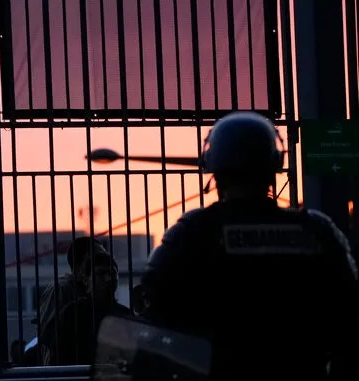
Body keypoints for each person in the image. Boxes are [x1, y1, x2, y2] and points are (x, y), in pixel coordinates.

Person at [141, 111, 359, 380]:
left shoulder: (192, 233)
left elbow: (153, 306)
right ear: (273, 166)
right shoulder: (317, 230)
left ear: (215, 171)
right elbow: (349, 316)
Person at [36, 236, 111, 365]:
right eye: (100, 256)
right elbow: (48, 334)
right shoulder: (61, 289)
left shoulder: (95, 292)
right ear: (87, 258)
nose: (105, 260)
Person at [53, 249, 131, 365]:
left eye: (112, 273)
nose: (108, 279)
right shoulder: (72, 314)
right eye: (101, 274)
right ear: (85, 279)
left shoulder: (125, 315)